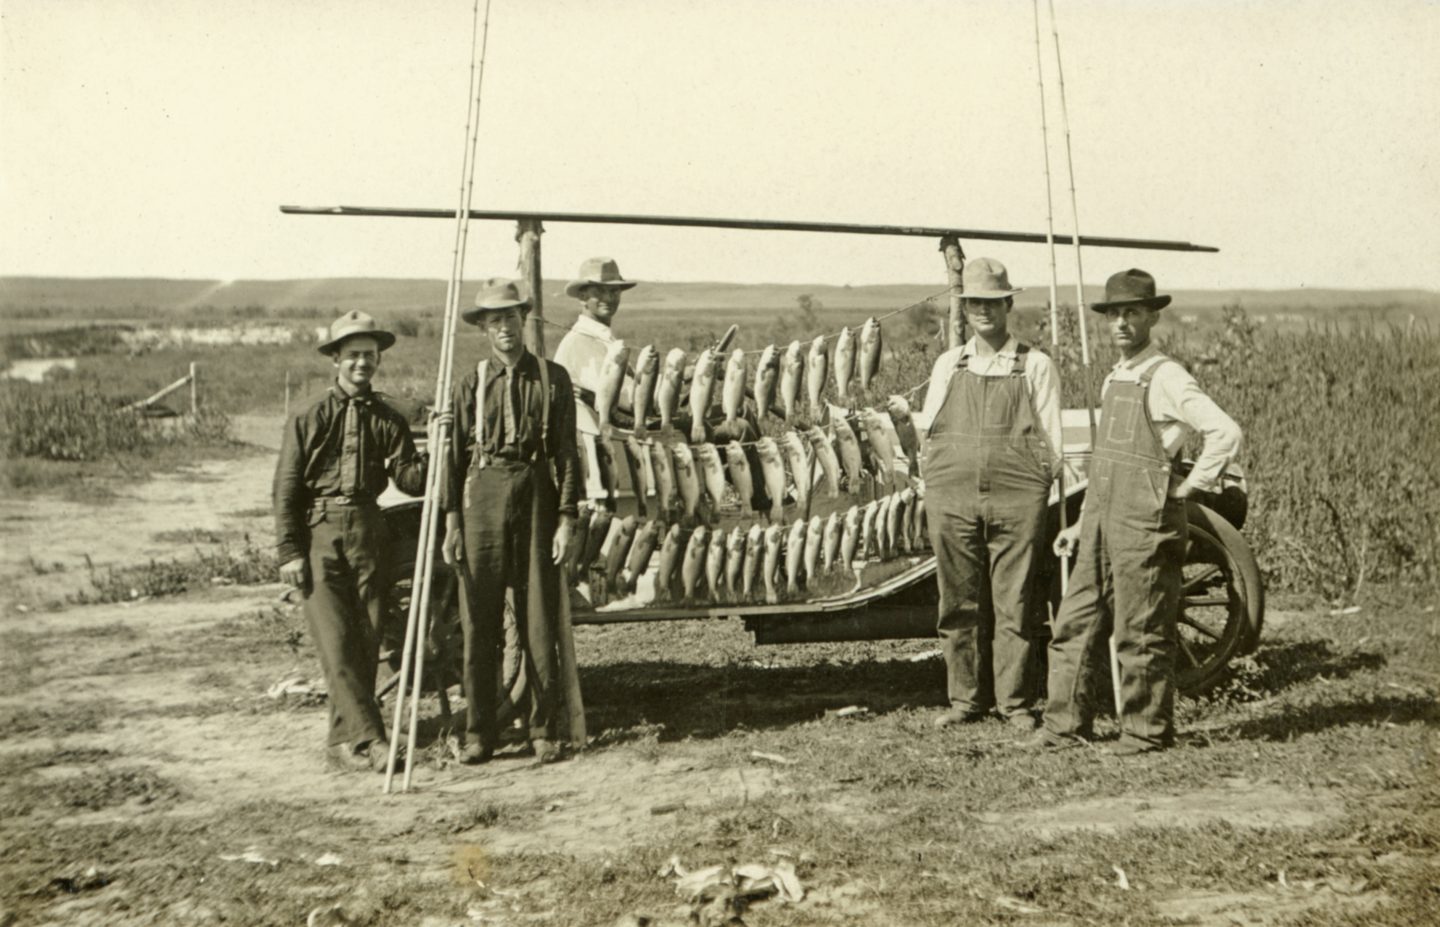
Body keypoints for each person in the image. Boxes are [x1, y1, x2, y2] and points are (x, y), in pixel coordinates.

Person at [1030, 268, 1242, 755]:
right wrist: (1083, 524)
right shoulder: (1116, 376)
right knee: (1075, 623)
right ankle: (1064, 727)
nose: (1122, 323)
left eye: (1133, 313)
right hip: (1104, 519)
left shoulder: (1166, 376)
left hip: (1147, 521)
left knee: (1141, 630)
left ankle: (1145, 732)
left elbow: (1225, 433)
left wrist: (1189, 487)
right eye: (1115, 314)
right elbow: (1107, 463)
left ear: (1151, 317)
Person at [273, 310, 429, 772]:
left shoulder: (388, 417)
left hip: (369, 530)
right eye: (353, 355)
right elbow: (286, 490)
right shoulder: (308, 415)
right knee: (336, 643)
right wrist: (290, 552)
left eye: (370, 355)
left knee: (364, 644)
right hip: (319, 533)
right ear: (336, 359)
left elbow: (410, 479)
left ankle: (343, 746)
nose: (362, 363)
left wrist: (439, 447)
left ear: (378, 359)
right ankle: (374, 740)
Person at [913, 258, 1064, 732]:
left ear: (1008, 305)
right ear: (966, 307)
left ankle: (1015, 703)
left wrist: (1037, 484)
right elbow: (929, 432)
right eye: (976, 302)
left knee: (1014, 601)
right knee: (957, 600)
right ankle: (965, 700)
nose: (984, 311)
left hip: (1016, 498)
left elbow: (1053, 444)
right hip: (952, 495)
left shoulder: (1035, 365)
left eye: (993, 302)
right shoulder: (948, 364)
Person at [441, 278, 581, 765]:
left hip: (536, 493)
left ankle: (544, 729)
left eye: (512, 317)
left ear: (524, 319)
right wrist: (452, 521)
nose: (505, 327)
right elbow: (453, 461)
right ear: (483, 327)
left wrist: (567, 517)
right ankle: (480, 731)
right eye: (495, 320)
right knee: (479, 619)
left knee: (538, 617)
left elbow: (566, 454)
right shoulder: (471, 382)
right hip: (483, 496)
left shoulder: (552, 377)